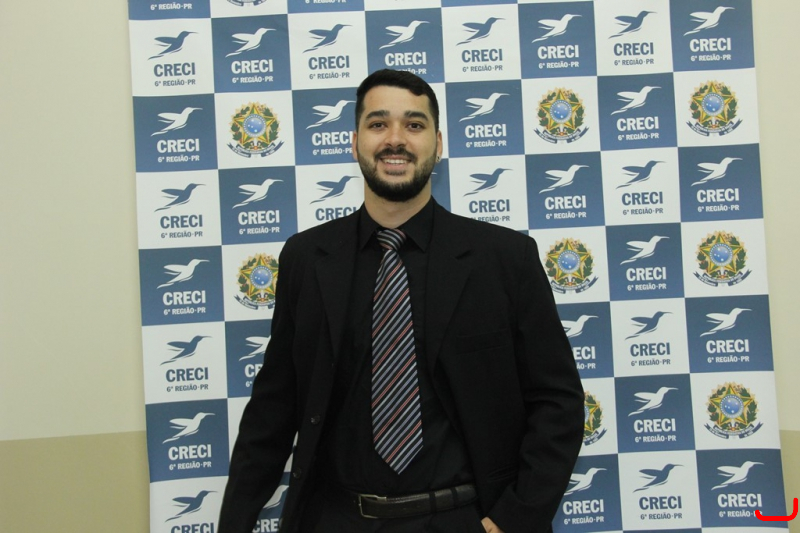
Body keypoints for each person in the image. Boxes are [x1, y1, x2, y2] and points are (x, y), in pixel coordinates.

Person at [218, 69, 584, 533]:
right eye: (378, 124)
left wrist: (513, 520)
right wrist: (235, 521)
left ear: (438, 143)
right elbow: (273, 408)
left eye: (414, 124)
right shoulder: (307, 259)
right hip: (335, 520)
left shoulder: (504, 258)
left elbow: (557, 401)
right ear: (355, 143)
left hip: (462, 520)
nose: (395, 139)